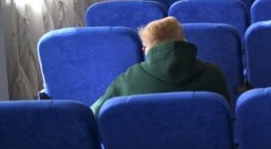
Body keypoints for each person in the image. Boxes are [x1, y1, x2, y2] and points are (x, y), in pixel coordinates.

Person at [90, 17, 229, 116]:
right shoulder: (214, 75)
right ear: (185, 42)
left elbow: (93, 115)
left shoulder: (128, 79)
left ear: (146, 50)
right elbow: (225, 116)